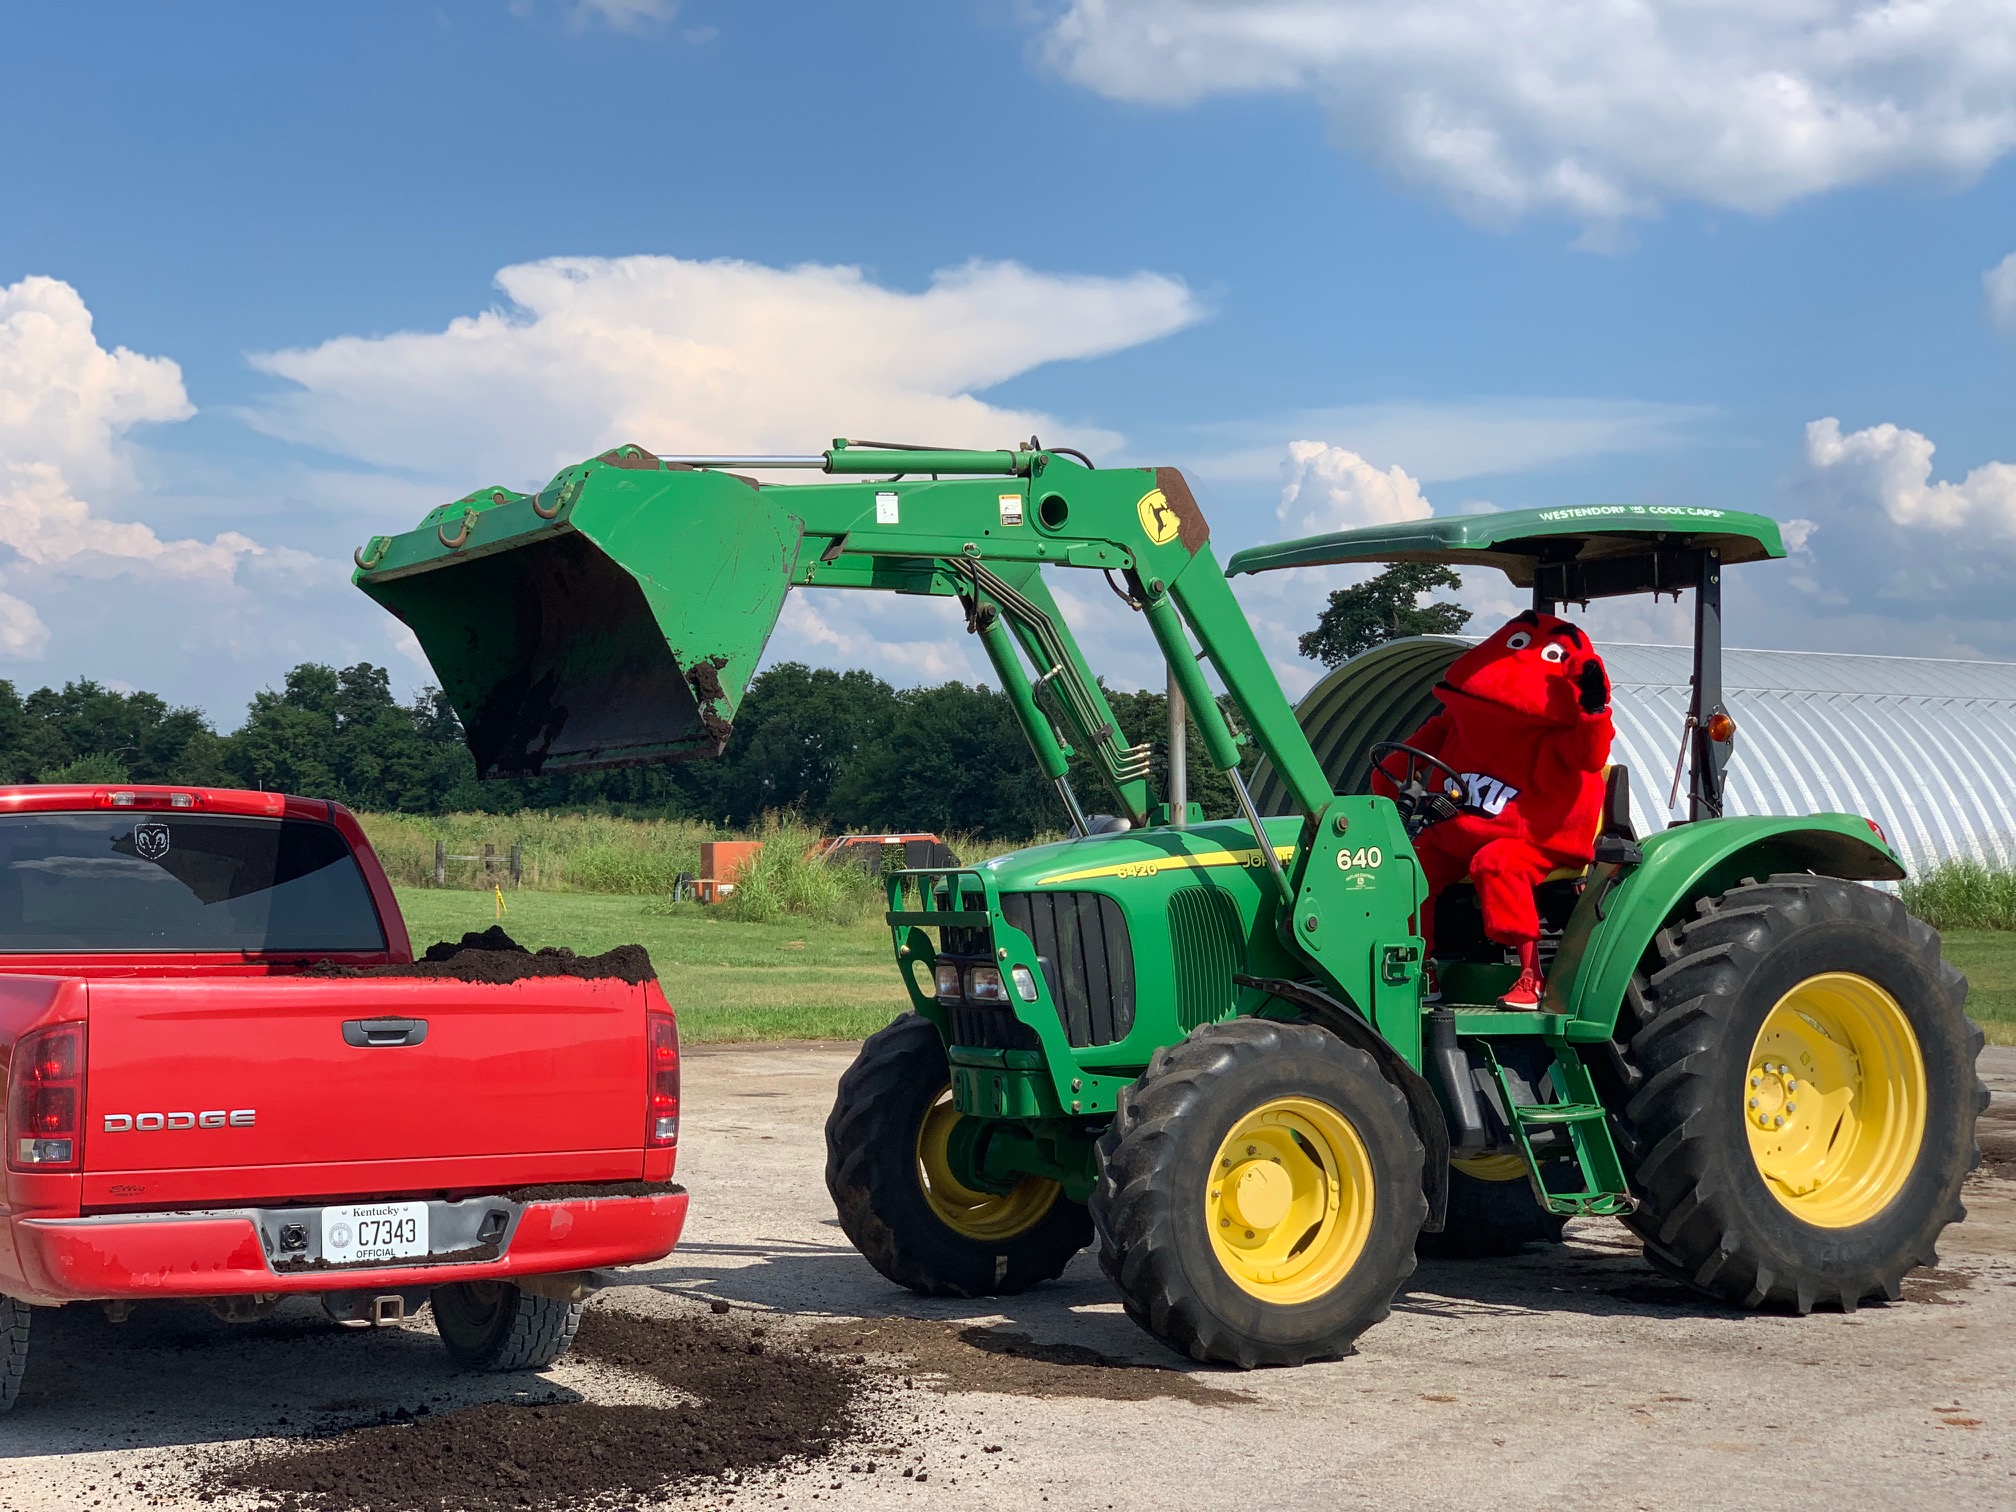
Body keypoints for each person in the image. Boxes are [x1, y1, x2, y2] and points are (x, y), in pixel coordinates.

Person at [1375, 610, 1613, 1009]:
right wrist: (1385, 785)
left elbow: (1589, 757)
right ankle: (1421, 964)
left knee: (1498, 861)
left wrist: (1592, 709)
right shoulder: (1458, 720)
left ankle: (1530, 974)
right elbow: (1405, 761)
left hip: (1537, 836)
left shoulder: (1557, 733)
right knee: (1408, 865)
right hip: (1457, 829)